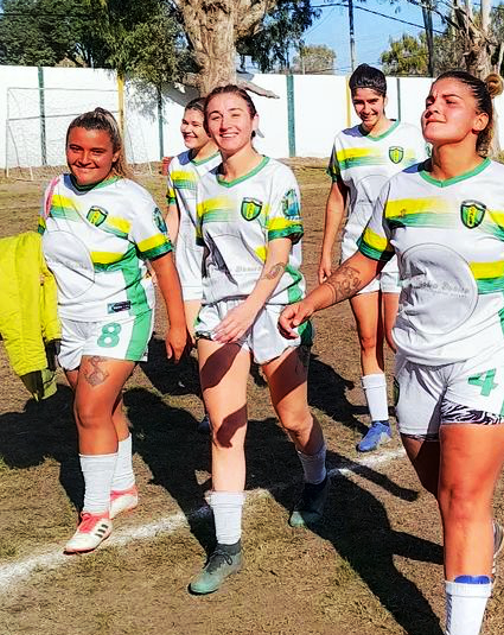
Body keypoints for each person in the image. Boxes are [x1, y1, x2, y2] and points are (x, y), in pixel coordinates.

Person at [280, 71, 504, 635]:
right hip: (417, 364)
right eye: (430, 101)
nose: (433, 108)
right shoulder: (401, 187)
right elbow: (364, 263)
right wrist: (313, 301)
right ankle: (485, 538)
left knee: (461, 499)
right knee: (442, 490)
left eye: (450, 101)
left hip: (487, 358)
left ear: (479, 120)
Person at [188, 85, 328, 595]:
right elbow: (199, 259)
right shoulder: (200, 183)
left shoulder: (277, 177)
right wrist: (198, 315)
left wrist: (251, 310)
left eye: (234, 115)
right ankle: (227, 548)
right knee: (225, 430)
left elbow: (278, 254)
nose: (224, 124)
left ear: (253, 120)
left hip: (274, 310)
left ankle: (316, 481)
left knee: (293, 418)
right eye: (215, 116)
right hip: (223, 315)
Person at [39, 108, 188, 553]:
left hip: (119, 316)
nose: (84, 159)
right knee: (104, 409)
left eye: (97, 151)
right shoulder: (53, 190)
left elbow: (163, 263)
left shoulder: (132, 200)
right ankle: (123, 488)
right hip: (68, 319)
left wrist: (176, 324)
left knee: (87, 410)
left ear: (115, 154)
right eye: (76, 149)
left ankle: (96, 512)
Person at [319, 64, 427, 452]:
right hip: (357, 252)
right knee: (368, 338)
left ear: (385, 99)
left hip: (398, 252)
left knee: (396, 336)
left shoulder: (412, 139)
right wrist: (327, 249)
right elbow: (338, 197)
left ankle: (418, 405)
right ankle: (379, 421)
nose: (365, 109)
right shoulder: (344, 142)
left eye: (372, 102)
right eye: (359, 102)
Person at [163, 98, 221, 431]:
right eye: (185, 122)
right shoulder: (177, 166)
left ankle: (221, 401)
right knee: (198, 337)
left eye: (194, 124)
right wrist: (162, 255)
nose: (187, 129)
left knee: (216, 335)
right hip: (187, 265)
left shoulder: (224, 165)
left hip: (219, 265)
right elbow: (174, 214)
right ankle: (213, 408)